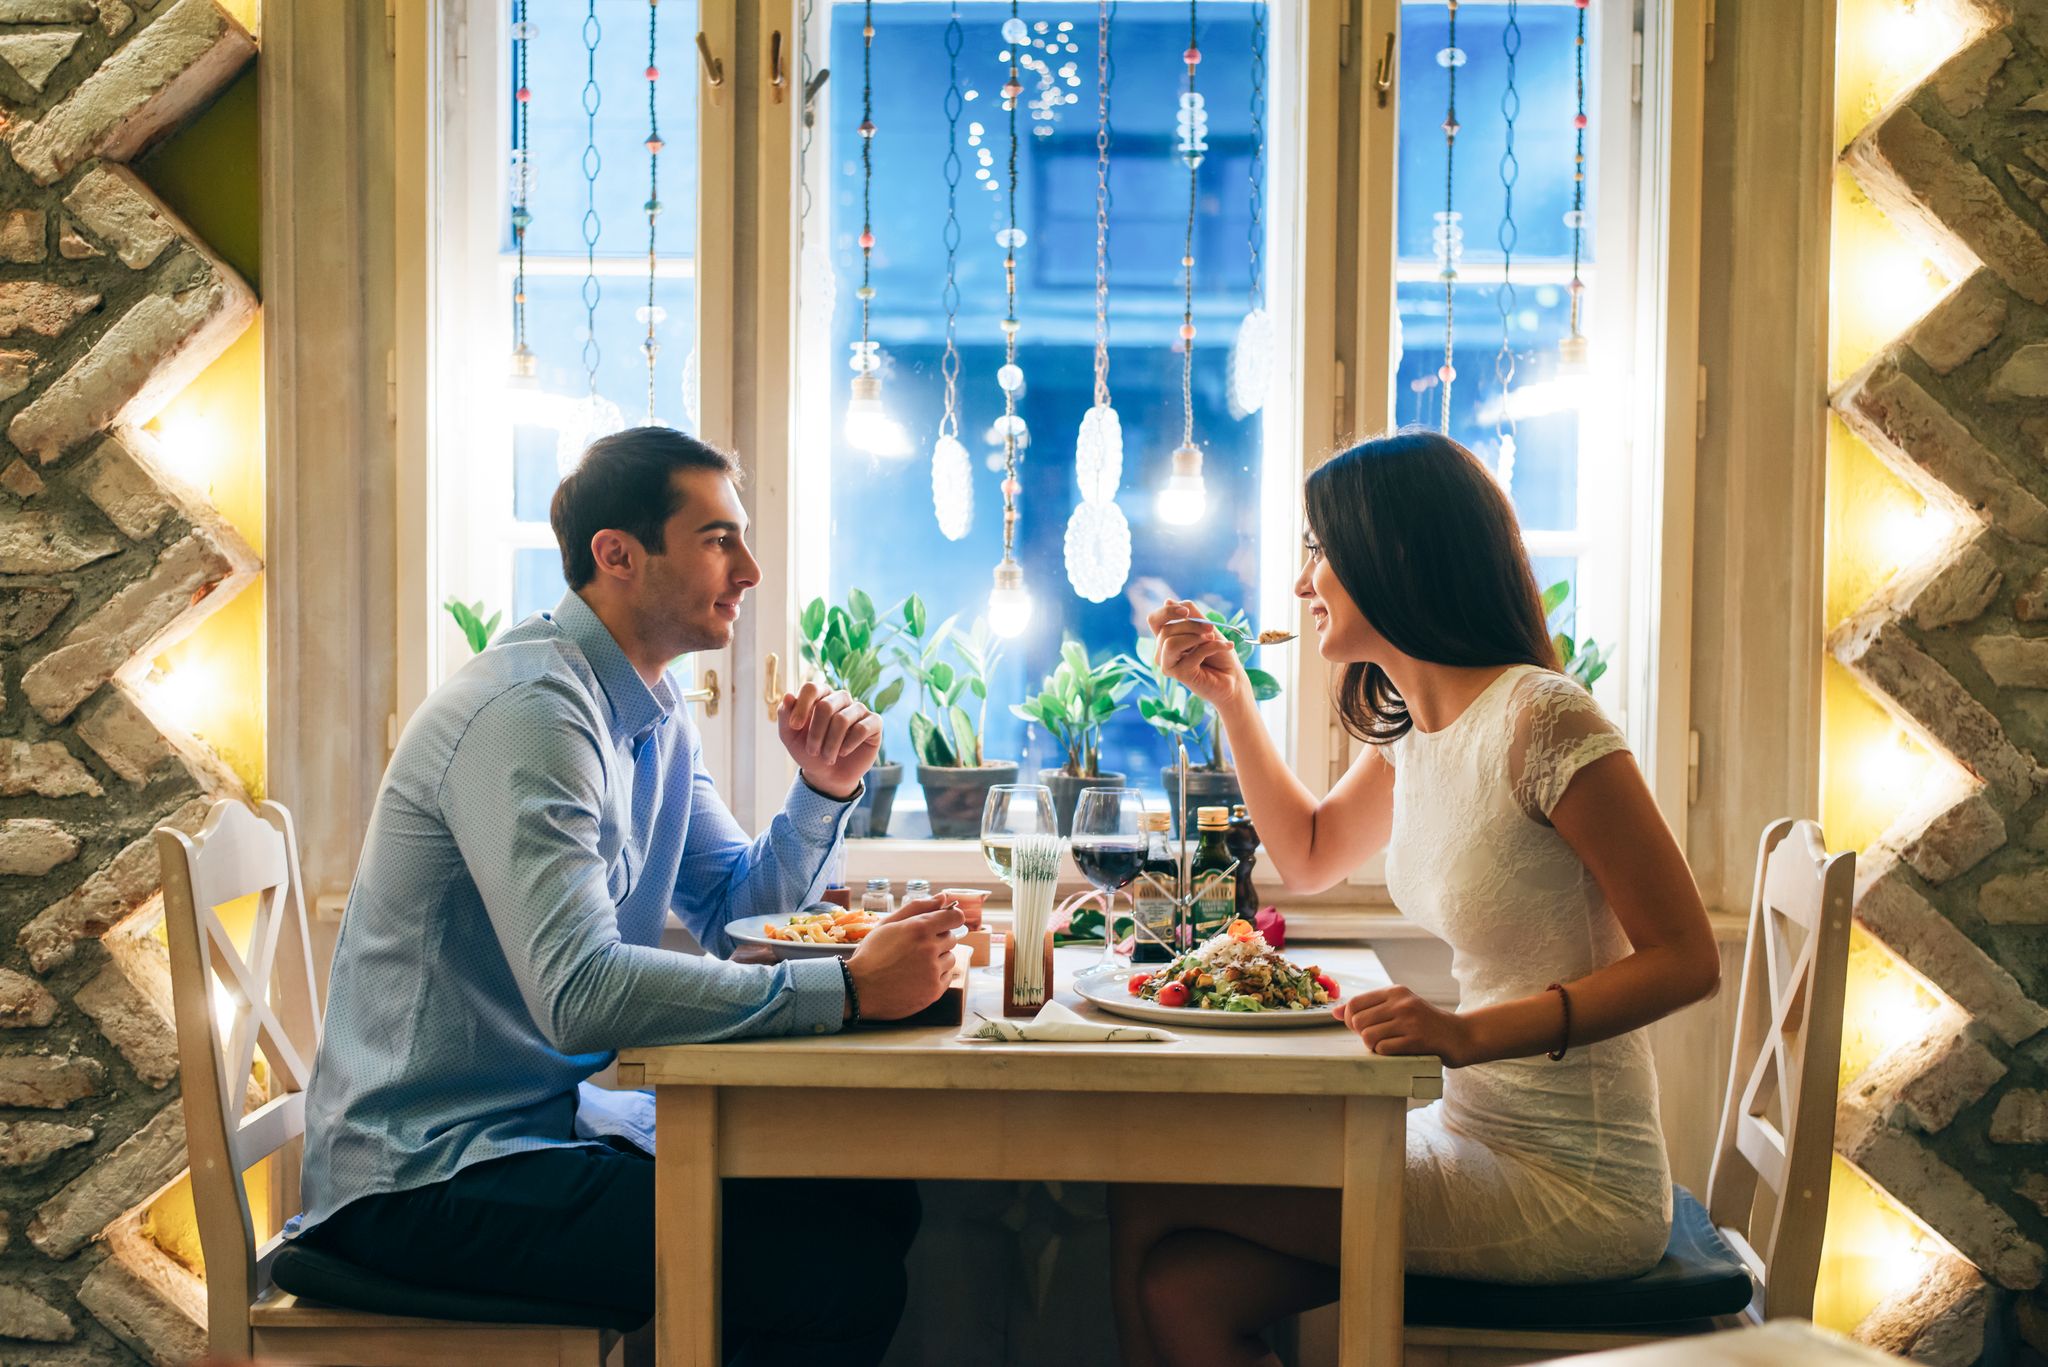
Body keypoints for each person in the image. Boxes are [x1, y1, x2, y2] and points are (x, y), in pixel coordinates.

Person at [294, 427, 960, 1364]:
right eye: (719, 539)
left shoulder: (648, 711)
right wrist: (847, 989)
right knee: (831, 1270)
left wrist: (821, 792)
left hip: (536, 1135)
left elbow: (735, 906)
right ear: (618, 554)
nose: (752, 569)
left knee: (870, 1193)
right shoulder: (534, 714)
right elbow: (579, 996)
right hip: (422, 1176)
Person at [1110, 431, 1722, 1367]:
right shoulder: (1417, 728)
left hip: (1573, 1181)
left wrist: (1468, 1033)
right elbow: (1310, 854)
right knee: (1181, 1288)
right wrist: (1233, 702)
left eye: (1320, 551)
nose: (1303, 582)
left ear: (1394, 555)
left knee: (1147, 1187)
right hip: (1465, 1129)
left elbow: (1688, 958)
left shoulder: (1544, 717)